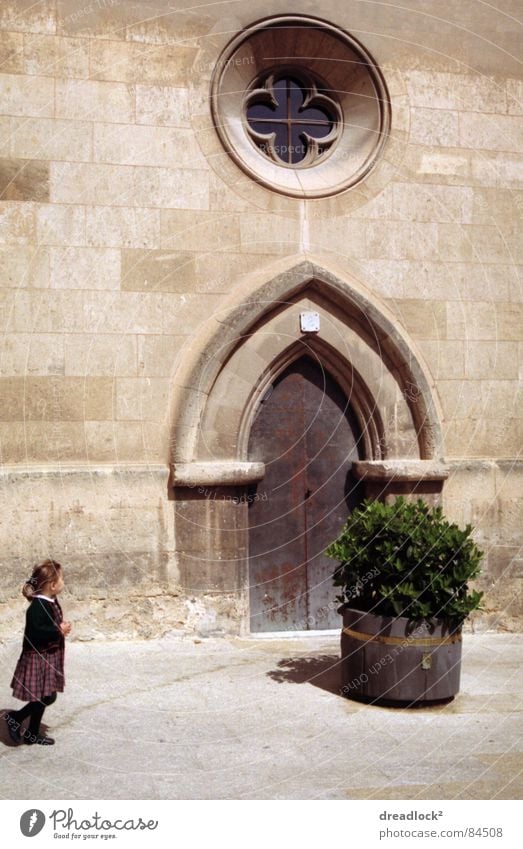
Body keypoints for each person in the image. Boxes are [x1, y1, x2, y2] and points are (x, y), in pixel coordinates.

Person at [4, 559, 71, 746]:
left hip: (48, 656)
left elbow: (50, 624)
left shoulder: (50, 601)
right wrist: (59, 630)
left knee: (45, 694)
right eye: (62, 579)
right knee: (46, 696)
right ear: (52, 585)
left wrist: (61, 627)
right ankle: (15, 718)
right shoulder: (36, 608)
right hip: (37, 658)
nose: (64, 582)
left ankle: (32, 733)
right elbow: (37, 631)